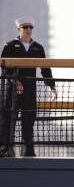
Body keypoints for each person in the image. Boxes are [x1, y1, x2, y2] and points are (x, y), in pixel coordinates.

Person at [1, 17, 56, 157]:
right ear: (19, 29)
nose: (28, 30)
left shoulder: (38, 48)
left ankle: (28, 150)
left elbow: (45, 69)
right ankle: (6, 149)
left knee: (29, 118)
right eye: (25, 27)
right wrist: (16, 81)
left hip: (30, 89)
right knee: (8, 118)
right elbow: (5, 69)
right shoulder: (10, 46)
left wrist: (52, 87)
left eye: (30, 27)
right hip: (12, 90)